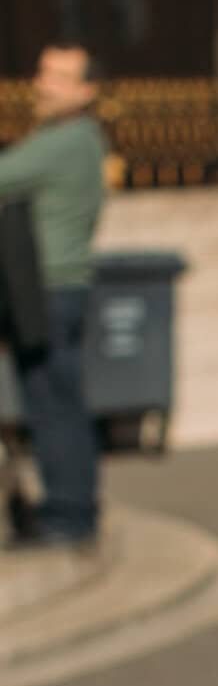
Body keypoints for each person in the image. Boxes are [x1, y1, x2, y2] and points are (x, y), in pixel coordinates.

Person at [0, 44, 107, 549]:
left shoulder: (65, 141)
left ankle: (67, 515)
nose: (43, 85)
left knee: (52, 406)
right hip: (59, 290)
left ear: (86, 92)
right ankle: (73, 510)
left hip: (47, 292)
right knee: (60, 402)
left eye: (59, 78)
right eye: (43, 73)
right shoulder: (76, 139)